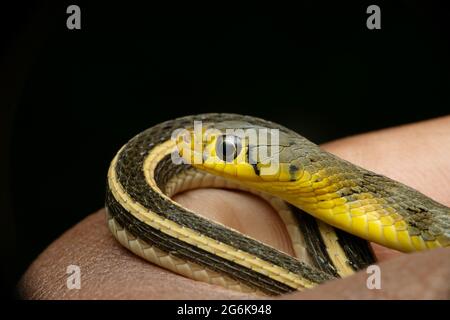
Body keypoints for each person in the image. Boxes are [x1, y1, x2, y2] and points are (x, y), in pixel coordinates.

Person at [18, 116, 450, 299]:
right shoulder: (315, 185)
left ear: (303, 173)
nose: (188, 148)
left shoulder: (385, 205)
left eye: (224, 149)